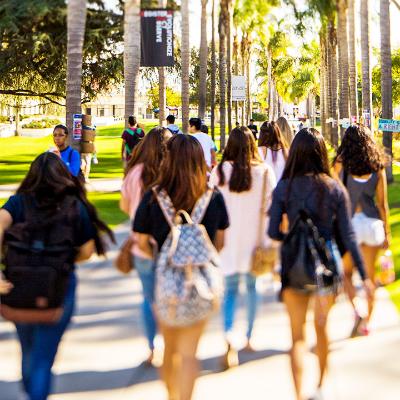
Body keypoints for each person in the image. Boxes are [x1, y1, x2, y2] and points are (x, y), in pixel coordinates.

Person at [268, 128, 372, 400]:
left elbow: (271, 232)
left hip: (293, 264)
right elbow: (347, 236)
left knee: (297, 336)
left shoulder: (284, 186)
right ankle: (321, 387)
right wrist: (364, 275)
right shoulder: (333, 186)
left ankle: (299, 395)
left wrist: (290, 235)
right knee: (322, 328)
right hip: (327, 261)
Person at [0, 152, 114, 400]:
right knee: (44, 355)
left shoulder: (18, 203)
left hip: (18, 282)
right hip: (59, 285)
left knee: (28, 348)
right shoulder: (74, 205)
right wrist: (60, 257)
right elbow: (86, 251)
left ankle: (30, 393)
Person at [133, 134, 229, 400]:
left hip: (165, 282)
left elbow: (140, 242)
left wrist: (161, 255)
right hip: (200, 284)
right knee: (190, 354)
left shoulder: (154, 197)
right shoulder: (212, 197)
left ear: (168, 160)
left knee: (170, 349)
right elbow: (220, 242)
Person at [210, 127, 276, 368]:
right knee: (252, 288)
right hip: (254, 242)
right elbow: (271, 209)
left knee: (229, 291)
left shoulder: (219, 172)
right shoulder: (265, 173)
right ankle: (248, 336)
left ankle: (229, 334)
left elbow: (211, 204)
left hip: (226, 241)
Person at [119, 127, 172, 363]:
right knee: (170, 295)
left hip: (141, 245)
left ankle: (153, 347)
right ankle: (170, 341)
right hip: (169, 244)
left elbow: (123, 206)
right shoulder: (172, 172)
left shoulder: (134, 173)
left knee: (148, 297)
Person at [333, 124, 390, 336]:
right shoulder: (377, 166)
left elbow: (334, 194)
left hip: (351, 226)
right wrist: (387, 233)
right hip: (373, 225)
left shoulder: (341, 165)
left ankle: (356, 310)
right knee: (369, 276)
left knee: (345, 273)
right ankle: (367, 322)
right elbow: (383, 204)